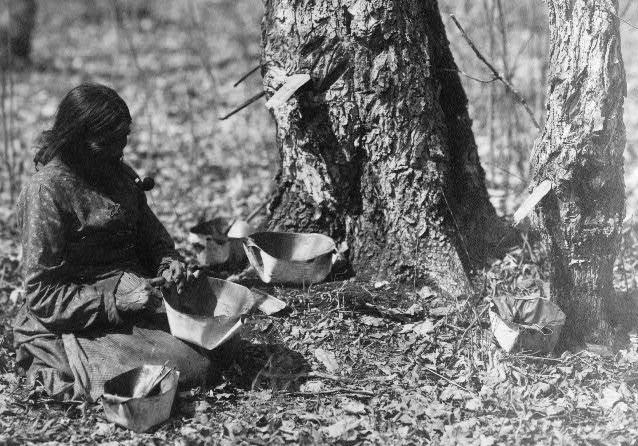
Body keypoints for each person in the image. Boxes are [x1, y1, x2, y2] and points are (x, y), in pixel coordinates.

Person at [13, 83, 216, 401]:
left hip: (136, 299)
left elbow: (154, 240)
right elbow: (42, 294)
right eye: (108, 143)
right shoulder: (47, 191)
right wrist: (113, 302)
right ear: (77, 140)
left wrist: (169, 264)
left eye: (124, 139)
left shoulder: (118, 172)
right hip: (80, 319)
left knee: (217, 343)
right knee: (189, 369)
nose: (120, 151)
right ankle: (54, 360)